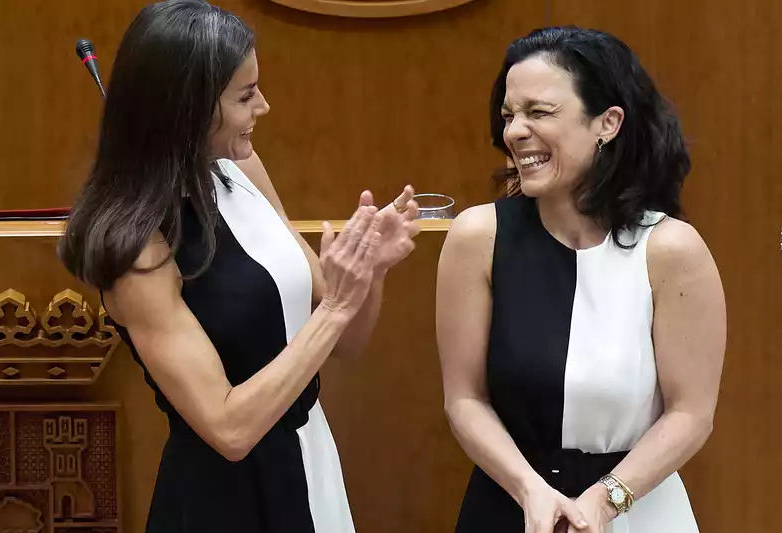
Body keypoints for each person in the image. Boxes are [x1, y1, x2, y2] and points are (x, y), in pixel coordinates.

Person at [58, 1, 419, 532]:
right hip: (225, 499)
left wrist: (371, 271)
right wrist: (339, 306)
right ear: (189, 108)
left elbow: (344, 340)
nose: (265, 107)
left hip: (309, 453)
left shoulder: (240, 164)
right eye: (246, 95)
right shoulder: (139, 249)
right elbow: (229, 428)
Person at [435, 26, 726, 533]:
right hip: (511, 504)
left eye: (539, 112)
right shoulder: (478, 237)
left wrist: (603, 502)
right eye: (508, 115)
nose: (514, 132)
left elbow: (691, 412)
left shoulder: (671, 249)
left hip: (634, 507)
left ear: (607, 123)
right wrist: (531, 490)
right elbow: (465, 398)